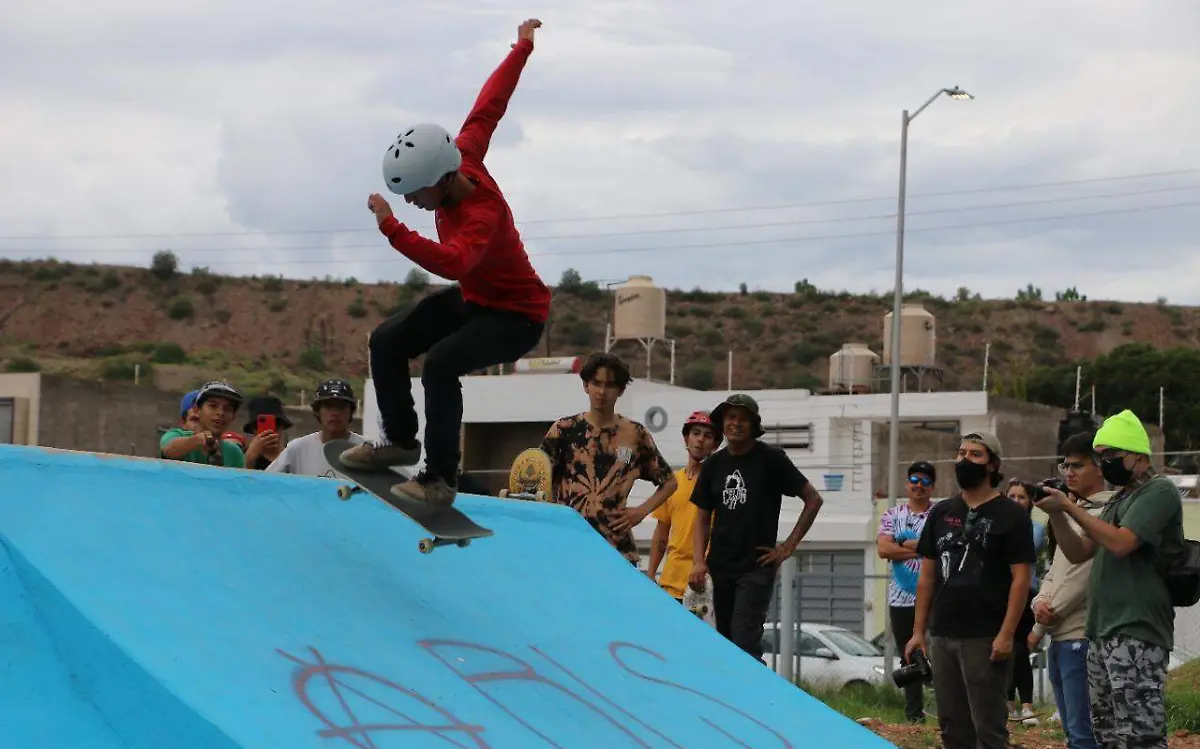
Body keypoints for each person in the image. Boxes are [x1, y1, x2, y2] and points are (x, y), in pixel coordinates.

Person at [341, 18, 552, 508]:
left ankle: (438, 478)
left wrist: (392, 226)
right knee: (388, 340)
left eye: (416, 193)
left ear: (440, 177)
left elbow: (453, 261)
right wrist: (521, 48)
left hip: (517, 318)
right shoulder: (465, 152)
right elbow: (490, 105)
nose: (414, 201)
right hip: (479, 301)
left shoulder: (481, 215)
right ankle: (399, 440)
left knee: (440, 365)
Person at [1034, 410, 1183, 749]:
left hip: (1136, 629)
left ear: (1139, 456)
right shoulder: (1121, 498)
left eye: (1113, 456)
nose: (1106, 464)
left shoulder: (1158, 492)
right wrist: (1056, 512)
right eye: (1102, 457)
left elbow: (1121, 543)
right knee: (1109, 736)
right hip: (1102, 631)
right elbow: (1078, 551)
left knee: (1139, 735)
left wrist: (1072, 509)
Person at [905, 432, 1035, 749]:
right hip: (943, 633)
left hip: (986, 637)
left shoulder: (1012, 515)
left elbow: (1021, 579)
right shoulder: (940, 512)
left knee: (988, 728)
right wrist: (918, 632)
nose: (965, 459)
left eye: (975, 454)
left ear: (993, 465)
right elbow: (927, 576)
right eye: (961, 452)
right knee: (952, 727)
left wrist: (1007, 634)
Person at [687, 394, 824, 661]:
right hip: (719, 566)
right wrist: (698, 562)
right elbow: (702, 517)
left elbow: (813, 500)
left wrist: (787, 547)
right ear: (723, 423)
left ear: (753, 424)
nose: (736, 423)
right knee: (721, 641)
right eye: (730, 418)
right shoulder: (714, 464)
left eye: (743, 419)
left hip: (755, 567)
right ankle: (727, 699)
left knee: (744, 641)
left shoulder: (771, 459)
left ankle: (754, 700)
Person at [539, 352, 677, 566]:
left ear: (620, 390)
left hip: (616, 549)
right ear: (586, 385)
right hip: (568, 546)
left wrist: (640, 513)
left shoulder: (635, 435)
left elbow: (669, 482)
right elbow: (538, 481)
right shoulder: (564, 430)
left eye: (610, 385)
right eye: (596, 383)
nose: (602, 392)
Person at [1028, 431, 1111, 749]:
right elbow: (1055, 569)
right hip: (1059, 638)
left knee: (1084, 735)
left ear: (1099, 468)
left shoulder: (1107, 512)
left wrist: (1041, 622)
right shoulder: (1071, 512)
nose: (1069, 473)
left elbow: (1081, 577)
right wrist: (1039, 603)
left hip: (1082, 637)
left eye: (1077, 465)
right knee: (1073, 734)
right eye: (1065, 466)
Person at [876, 460, 937, 724]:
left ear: (932, 486)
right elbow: (883, 550)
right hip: (900, 600)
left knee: (940, 654)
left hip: (936, 596)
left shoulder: (940, 514)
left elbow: (940, 549)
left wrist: (902, 545)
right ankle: (914, 715)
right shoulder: (892, 515)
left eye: (925, 481)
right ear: (907, 484)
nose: (919, 486)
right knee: (909, 657)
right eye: (914, 480)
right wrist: (922, 549)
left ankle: (950, 712)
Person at [645, 411, 721, 602]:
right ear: (686, 438)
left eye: (708, 436)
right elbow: (661, 534)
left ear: (716, 445)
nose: (701, 440)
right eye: (696, 433)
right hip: (670, 583)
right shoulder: (672, 482)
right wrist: (651, 573)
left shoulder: (719, 482)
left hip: (706, 584)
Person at [1004, 479, 1048, 724]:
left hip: (1027, 591)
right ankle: (1009, 702)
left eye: (1021, 497)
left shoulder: (1036, 528)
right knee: (1005, 649)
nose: (1016, 501)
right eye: (1011, 496)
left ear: (1030, 501)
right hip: (1001, 592)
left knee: (1020, 649)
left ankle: (1027, 704)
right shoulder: (997, 524)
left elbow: (1022, 550)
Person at [267, 379, 368, 477]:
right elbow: (268, 481)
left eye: (341, 407)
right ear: (317, 411)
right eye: (328, 406)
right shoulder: (297, 449)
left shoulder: (366, 450)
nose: (335, 413)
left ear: (351, 412)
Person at [159, 381, 247, 468]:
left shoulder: (235, 453)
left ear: (233, 417)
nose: (221, 413)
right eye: (213, 406)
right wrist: (197, 441)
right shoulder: (175, 435)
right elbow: (169, 451)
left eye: (228, 409)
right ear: (197, 410)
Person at [242, 395, 291, 470]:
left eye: (276, 424)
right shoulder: (240, 456)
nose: (270, 431)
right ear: (253, 429)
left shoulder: (293, 458)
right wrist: (248, 461)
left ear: (282, 426)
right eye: (259, 426)